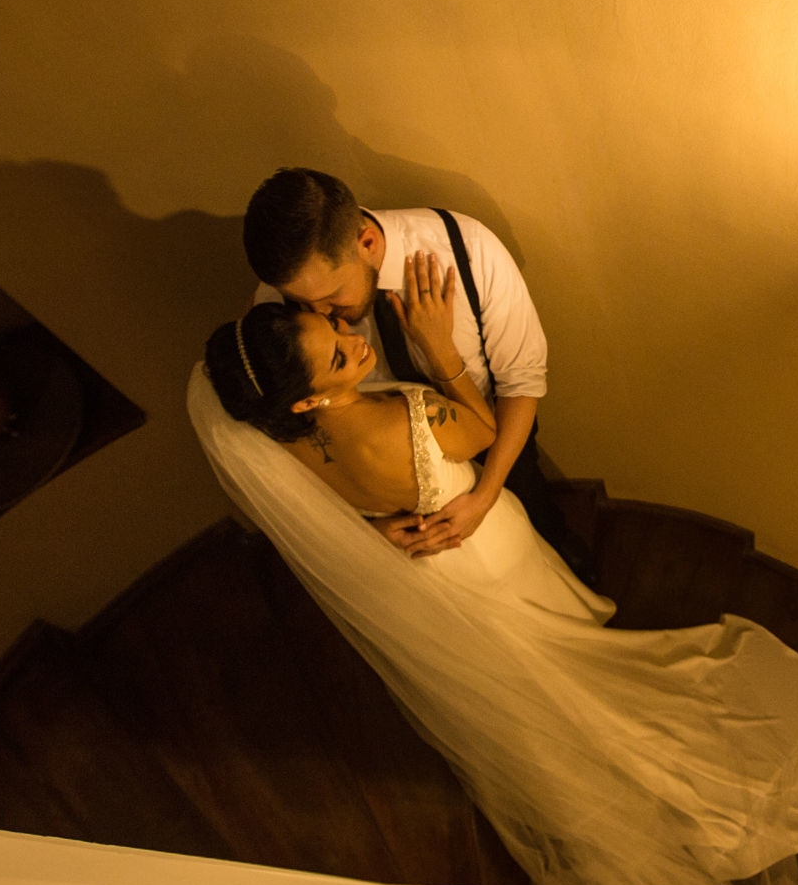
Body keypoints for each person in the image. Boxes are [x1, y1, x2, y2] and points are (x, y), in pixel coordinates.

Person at [191, 250, 798, 885]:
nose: (356, 342)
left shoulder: (279, 438)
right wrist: (440, 349)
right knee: (573, 667)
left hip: (435, 583)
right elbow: (481, 430)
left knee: (543, 679)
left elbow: (334, 513)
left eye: (333, 326)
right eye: (340, 356)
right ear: (308, 399)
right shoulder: (385, 428)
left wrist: (378, 528)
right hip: (483, 554)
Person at [242, 167, 593, 580]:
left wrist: (485, 495)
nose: (318, 314)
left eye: (332, 296)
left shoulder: (470, 251)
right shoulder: (277, 302)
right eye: (301, 302)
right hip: (391, 487)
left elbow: (521, 383)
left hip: (496, 441)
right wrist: (364, 528)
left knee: (539, 535)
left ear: (367, 243)